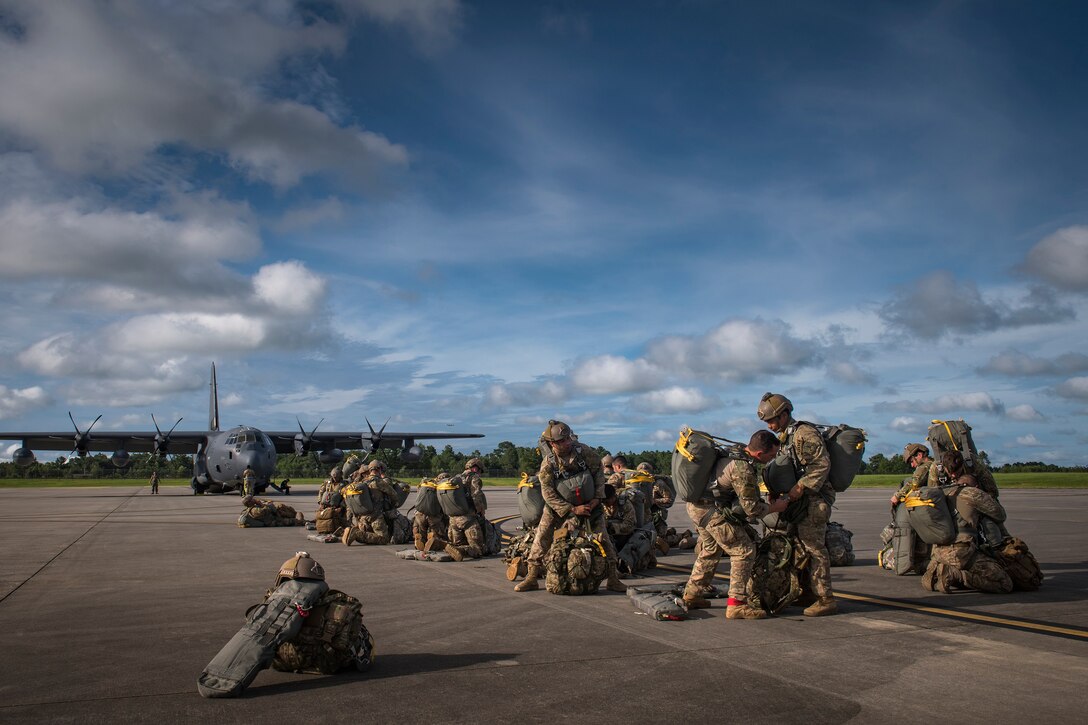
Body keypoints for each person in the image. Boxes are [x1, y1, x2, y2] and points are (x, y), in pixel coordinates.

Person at [683, 430, 788, 619]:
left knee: (710, 549)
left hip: (696, 507)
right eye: (772, 455)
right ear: (759, 454)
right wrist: (776, 507)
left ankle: (692, 595)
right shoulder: (743, 467)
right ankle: (736, 605)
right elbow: (752, 509)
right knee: (743, 550)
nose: (772, 459)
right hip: (709, 511)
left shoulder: (734, 452)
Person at [514, 420, 625, 593]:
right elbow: (547, 492)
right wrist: (571, 509)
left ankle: (613, 578)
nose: (567, 443)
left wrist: (597, 498)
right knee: (541, 539)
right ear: (553, 443)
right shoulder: (548, 463)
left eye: (568, 438)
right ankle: (532, 578)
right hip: (558, 508)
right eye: (562, 441)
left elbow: (598, 472)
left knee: (605, 541)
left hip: (591, 506)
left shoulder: (583, 452)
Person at [757, 392, 838, 616]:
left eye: (772, 420)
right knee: (797, 548)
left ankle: (825, 598)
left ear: (785, 414)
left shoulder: (804, 434)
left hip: (813, 501)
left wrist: (799, 489)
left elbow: (821, 465)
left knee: (814, 549)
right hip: (796, 501)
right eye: (767, 422)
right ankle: (807, 592)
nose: (770, 425)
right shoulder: (785, 439)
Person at [342, 461, 399, 546]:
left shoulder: (361, 482)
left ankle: (354, 532)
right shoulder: (378, 482)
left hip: (361, 518)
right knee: (383, 539)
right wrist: (394, 504)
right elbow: (393, 494)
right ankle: (356, 533)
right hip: (375, 517)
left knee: (370, 536)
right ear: (379, 469)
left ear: (369, 470)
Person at [444, 461, 487, 561]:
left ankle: (442, 544)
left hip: (453, 520)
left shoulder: (456, 478)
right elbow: (476, 496)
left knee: (459, 544)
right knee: (478, 549)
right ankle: (461, 551)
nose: (479, 473)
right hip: (467, 519)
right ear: (475, 468)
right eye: (480, 470)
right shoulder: (474, 478)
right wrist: (480, 510)